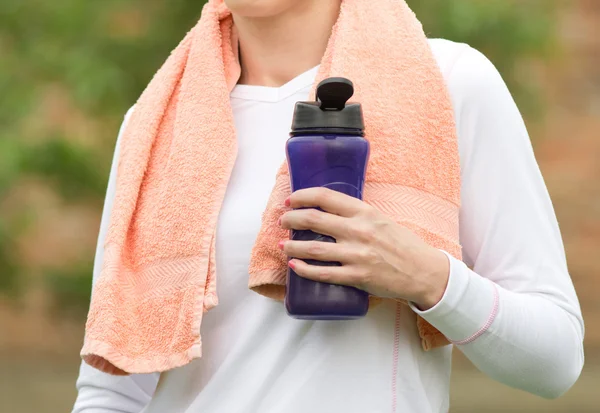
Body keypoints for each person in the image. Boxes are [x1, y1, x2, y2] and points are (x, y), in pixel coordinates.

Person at [72, 0, 584, 412]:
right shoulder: (156, 124)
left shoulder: (451, 82)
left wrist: (429, 278)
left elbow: (554, 361)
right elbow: (111, 390)